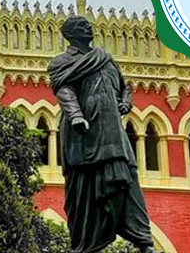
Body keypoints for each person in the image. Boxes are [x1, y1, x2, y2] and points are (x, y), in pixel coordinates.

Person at [47, 14, 157, 253]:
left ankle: (143, 241)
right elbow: (64, 90)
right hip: (83, 136)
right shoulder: (60, 62)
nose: (88, 27)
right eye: (82, 26)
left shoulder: (105, 59)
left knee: (126, 182)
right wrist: (76, 115)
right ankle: (85, 246)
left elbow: (124, 87)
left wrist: (125, 102)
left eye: (88, 24)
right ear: (70, 34)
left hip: (112, 133)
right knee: (83, 193)